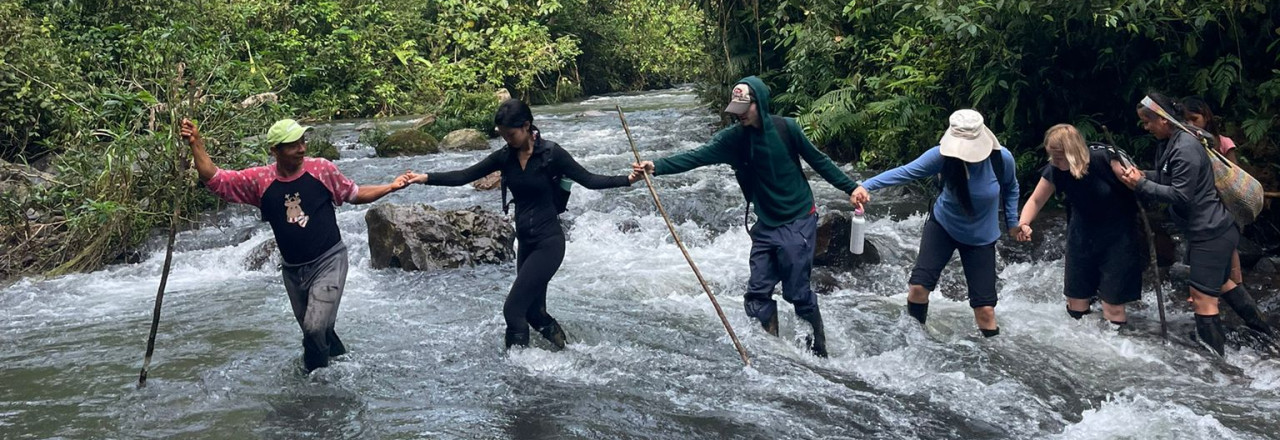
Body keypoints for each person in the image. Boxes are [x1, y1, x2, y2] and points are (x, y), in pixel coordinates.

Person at [632, 76, 862, 357]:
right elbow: (696, 156)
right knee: (756, 293)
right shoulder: (733, 139)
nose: (739, 116)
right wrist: (656, 166)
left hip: (798, 219)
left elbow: (820, 161)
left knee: (797, 294)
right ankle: (773, 352)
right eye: (735, 110)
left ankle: (818, 350)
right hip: (766, 223)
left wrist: (851, 187)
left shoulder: (786, 129)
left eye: (744, 109)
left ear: (760, 104)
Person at [401, 99, 641, 350]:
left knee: (513, 310)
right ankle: (569, 353)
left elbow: (589, 179)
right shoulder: (505, 157)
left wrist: (627, 179)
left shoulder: (551, 154)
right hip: (525, 243)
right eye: (503, 135)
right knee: (534, 313)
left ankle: (517, 372)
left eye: (511, 134)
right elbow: (464, 176)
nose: (507, 140)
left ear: (527, 126)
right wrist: (424, 178)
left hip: (548, 243)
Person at [180, 118, 410, 372]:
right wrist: (196, 143)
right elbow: (216, 180)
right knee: (319, 330)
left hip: (329, 261)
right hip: (293, 271)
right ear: (275, 151)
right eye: (293, 145)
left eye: (302, 141)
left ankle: (312, 386)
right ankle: (341, 369)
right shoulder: (261, 181)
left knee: (313, 328)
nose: (302, 148)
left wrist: (390, 186)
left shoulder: (321, 170)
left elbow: (353, 194)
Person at [1115, 93, 1271, 356]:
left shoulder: (1184, 146)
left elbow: (1181, 195)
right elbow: (1169, 177)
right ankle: (1267, 336)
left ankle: (1216, 365)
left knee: (1202, 298)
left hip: (1210, 234)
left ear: (1163, 120)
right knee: (1223, 283)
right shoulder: (1173, 142)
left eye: (1147, 121)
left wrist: (1140, 185)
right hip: (1215, 230)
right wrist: (1144, 175)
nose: (1145, 127)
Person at [850, 109, 1019, 338]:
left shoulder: (1001, 159)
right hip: (943, 227)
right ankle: (914, 338)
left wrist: (1013, 222)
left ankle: (993, 359)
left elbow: (1011, 188)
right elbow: (906, 172)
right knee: (918, 288)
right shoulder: (941, 156)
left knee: (985, 310)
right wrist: (865, 186)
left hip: (981, 238)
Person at [1014, 124, 1147, 327]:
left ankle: (1115, 345)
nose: (1055, 162)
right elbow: (1035, 201)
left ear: (1073, 152)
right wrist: (1024, 223)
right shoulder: (1055, 169)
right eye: (1052, 157)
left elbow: (1139, 185)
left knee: (1113, 305)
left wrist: (1136, 181)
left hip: (1118, 238)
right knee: (1076, 301)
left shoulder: (1105, 160)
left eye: (1059, 157)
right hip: (1081, 237)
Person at [1182, 96, 1239, 164]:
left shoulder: (1225, 143)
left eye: (1194, 119)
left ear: (1206, 117)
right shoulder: (1182, 143)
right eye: (1186, 121)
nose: (1190, 124)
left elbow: (1234, 170)